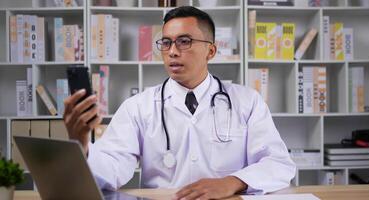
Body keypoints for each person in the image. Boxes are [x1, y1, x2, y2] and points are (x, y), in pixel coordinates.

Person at [63, 6, 296, 200]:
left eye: (184, 41)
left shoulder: (247, 102)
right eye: (166, 43)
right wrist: (82, 145)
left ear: (211, 51)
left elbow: (278, 164)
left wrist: (231, 183)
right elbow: (112, 166)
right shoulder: (138, 107)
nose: (172, 51)